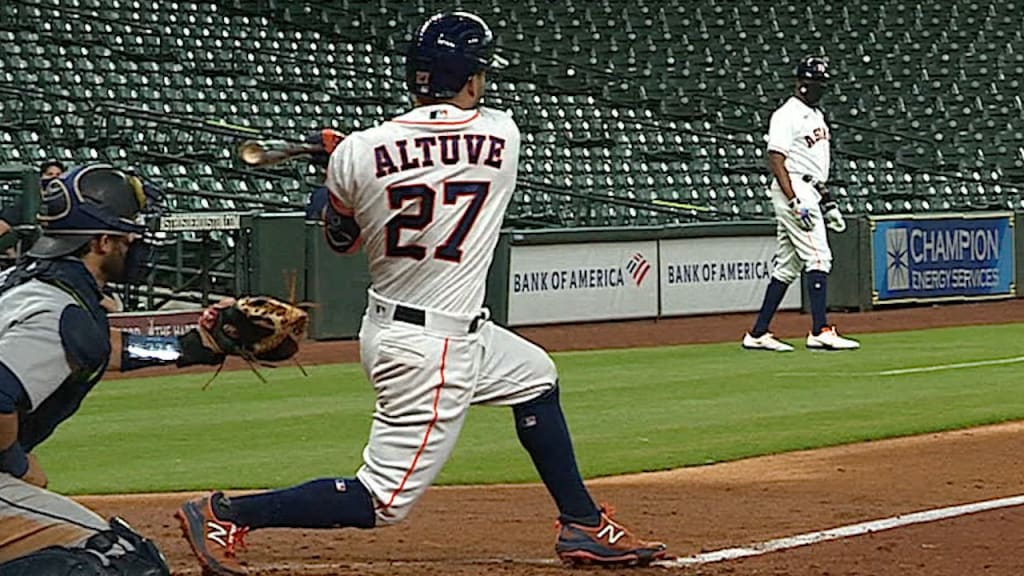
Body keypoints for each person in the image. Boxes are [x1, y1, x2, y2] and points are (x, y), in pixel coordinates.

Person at [175, 11, 668, 575]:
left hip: (406, 328)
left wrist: (335, 165)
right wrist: (342, 156)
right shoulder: (502, 134)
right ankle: (226, 513)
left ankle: (582, 524)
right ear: (468, 76)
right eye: (479, 72)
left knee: (535, 376)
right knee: (383, 501)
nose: (482, 81)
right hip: (431, 349)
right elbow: (443, 152)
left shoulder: (359, 152)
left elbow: (341, 239)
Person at [0, 163, 231, 575]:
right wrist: (15, 461)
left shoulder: (29, 284)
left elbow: (98, 347)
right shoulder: (59, 310)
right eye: (129, 234)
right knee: (122, 562)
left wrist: (191, 347)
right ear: (103, 241)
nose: (136, 243)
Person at [742, 56, 860, 352]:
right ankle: (819, 329)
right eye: (813, 82)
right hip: (794, 189)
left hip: (810, 189)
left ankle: (758, 333)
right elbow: (776, 158)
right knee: (819, 257)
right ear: (800, 83)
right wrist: (794, 200)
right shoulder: (787, 114)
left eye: (822, 83)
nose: (818, 87)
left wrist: (828, 201)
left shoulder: (816, 115)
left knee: (788, 266)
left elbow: (814, 165)